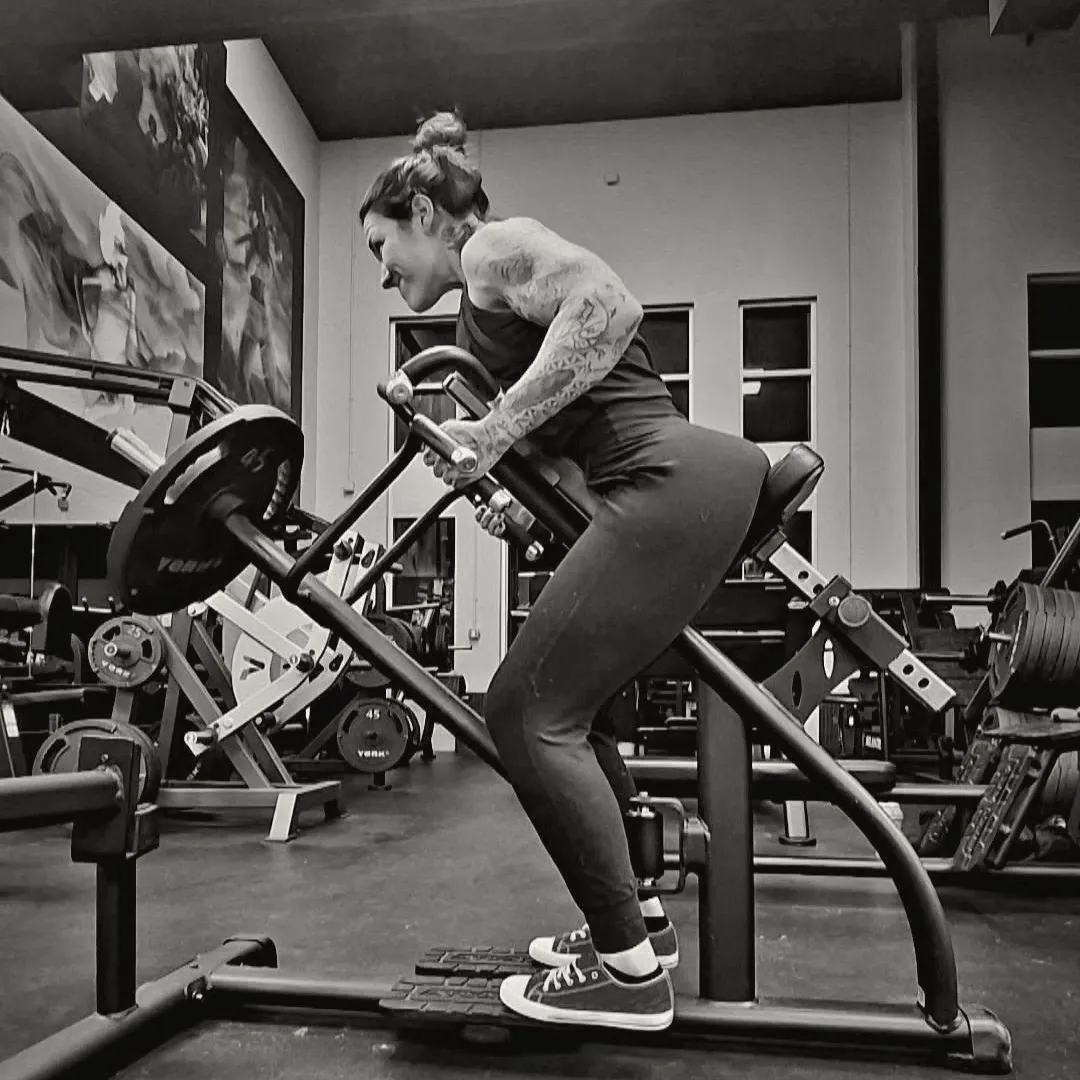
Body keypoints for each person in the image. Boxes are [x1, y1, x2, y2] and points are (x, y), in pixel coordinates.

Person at [359, 111, 770, 1032]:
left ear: (425, 211)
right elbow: (569, 473)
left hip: (673, 480)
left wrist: (495, 428)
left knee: (524, 709)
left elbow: (607, 308)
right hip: (661, 489)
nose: (382, 270)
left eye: (383, 245)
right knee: (575, 719)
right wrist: (496, 484)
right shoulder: (482, 311)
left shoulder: (493, 247)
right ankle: (640, 931)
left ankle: (627, 978)